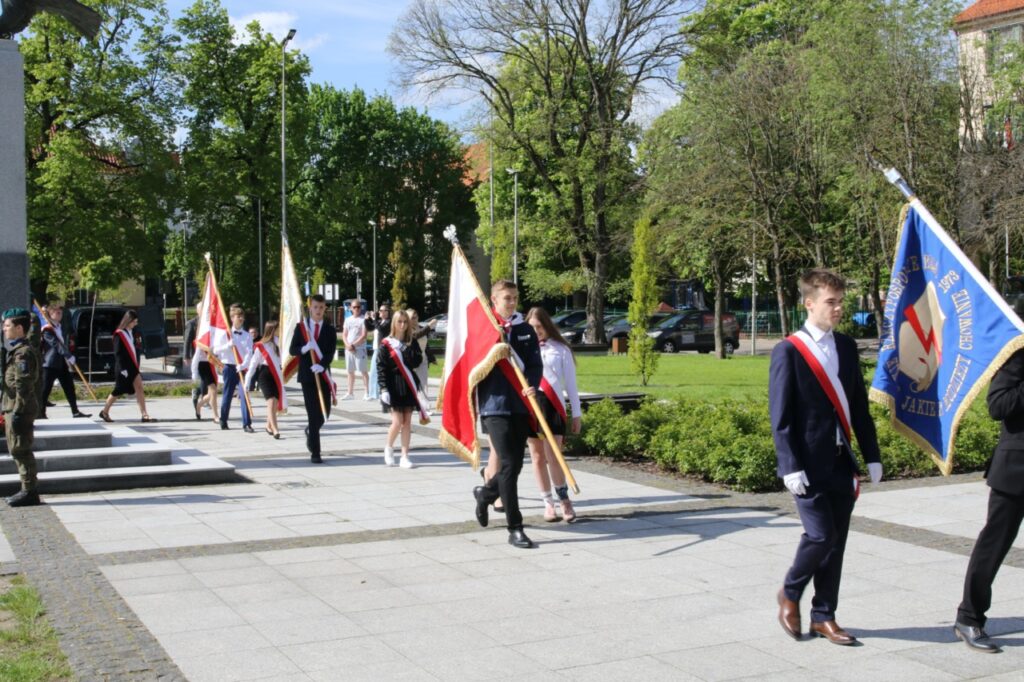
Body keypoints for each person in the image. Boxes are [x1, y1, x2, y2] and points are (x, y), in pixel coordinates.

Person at [770, 269, 881, 645]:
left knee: (837, 543)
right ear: (809, 303)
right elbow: (781, 416)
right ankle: (789, 591)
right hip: (806, 464)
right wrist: (789, 465)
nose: (838, 308)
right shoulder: (789, 350)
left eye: (840, 301)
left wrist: (873, 456)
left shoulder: (847, 347)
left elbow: (859, 408)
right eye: (830, 302)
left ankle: (824, 615)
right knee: (821, 536)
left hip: (840, 460)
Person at [954, 347, 1024, 653]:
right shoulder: (1018, 354)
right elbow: (997, 405)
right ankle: (969, 617)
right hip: (1017, 468)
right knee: (994, 545)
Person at [472, 279, 543, 549]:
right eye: (506, 298)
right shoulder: (486, 329)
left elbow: (535, 364)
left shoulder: (525, 329)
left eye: (514, 298)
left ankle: (485, 493)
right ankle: (515, 527)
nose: (511, 302)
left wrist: (532, 385)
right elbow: (474, 364)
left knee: (515, 464)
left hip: (520, 403)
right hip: (494, 404)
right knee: (510, 464)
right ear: (494, 300)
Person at [525, 307, 581, 523]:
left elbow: (572, 386)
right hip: (532, 405)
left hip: (553, 405)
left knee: (554, 456)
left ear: (547, 325)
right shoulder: (523, 350)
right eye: (532, 328)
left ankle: (564, 499)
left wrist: (576, 414)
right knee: (537, 457)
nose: (536, 331)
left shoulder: (561, 349)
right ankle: (547, 502)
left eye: (539, 326)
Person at [2, 308, 43, 506]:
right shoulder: (16, 350)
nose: (4, 328)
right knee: (17, 449)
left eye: (7, 325)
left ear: (19, 328)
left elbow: (23, 386)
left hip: (20, 407)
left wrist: (18, 412)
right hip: (13, 406)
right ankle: (27, 488)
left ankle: (29, 491)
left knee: (21, 449)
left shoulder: (23, 354)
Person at [289, 294, 337, 463]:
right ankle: (315, 453)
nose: (318, 311)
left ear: (325, 309)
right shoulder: (301, 328)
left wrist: (322, 365)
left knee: (325, 413)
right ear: (310, 308)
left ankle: (310, 431)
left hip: (322, 374)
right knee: (312, 413)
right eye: (315, 307)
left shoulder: (330, 330)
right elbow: (292, 349)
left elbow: (331, 352)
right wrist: (304, 348)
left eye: (321, 308)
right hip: (307, 376)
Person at [377, 310, 425, 468]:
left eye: (405, 322)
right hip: (392, 385)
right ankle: (389, 448)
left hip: (408, 384)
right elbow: (381, 367)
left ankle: (405, 456)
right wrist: (383, 389)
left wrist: (406, 350)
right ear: (394, 323)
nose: (403, 325)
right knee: (397, 422)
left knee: (407, 422)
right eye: (400, 322)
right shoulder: (386, 343)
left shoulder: (411, 341)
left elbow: (417, 361)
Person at [99, 310, 156, 423]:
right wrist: (123, 369)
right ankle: (104, 411)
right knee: (119, 390)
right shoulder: (119, 334)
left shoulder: (131, 332)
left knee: (139, 387)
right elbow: (118, 353)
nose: (135, 324)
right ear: (128, 321)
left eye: (136, 321)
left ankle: (144, 414)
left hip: (132, 366)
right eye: (134, 321)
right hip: (123, 367)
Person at [39, 301, 90, 419]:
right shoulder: (47, 329)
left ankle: (75, 411)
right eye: (56, 313)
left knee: (69, 387)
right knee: (45, 389)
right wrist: (68, 355)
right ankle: (41, 413)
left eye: (60, 313)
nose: (59, 314)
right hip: (50, 363)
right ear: (50, 314)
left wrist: (67, 356)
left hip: (60, 362)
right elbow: (56, 345)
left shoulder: (58, 327)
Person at [216, 304, 253, 432]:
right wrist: (228, 345)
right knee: (228, 394)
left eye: (242, 316)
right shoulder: (226, 334)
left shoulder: (247, 335)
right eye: (238, 316)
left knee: (244, 395)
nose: (241, 318)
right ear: (232, 318)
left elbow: (249, 352)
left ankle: (247, 423)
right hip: (229, 366)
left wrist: (243, 365)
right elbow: (216, 350)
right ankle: (223, 419)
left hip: (242, 368)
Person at [245, 320, 284, 439]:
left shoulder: (279, 343)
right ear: (272, 330)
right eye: (277, 328)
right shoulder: (261, 345)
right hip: (264, 374)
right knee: (271, 401)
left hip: (276, 374)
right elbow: (253, 364)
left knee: (275, 403)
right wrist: (247, 381)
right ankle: (275, 429)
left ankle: (268, 425)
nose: (279, 330)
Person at [342, 301, 369, 400]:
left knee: (363, 371)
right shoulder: (348, 320)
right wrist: (347, 345)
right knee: (350, 371)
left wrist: (354, 345)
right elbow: (344, 334)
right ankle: (350, 393)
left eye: (358, 307)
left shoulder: (363, 320)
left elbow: (364, 335)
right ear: (351, 308)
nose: (357, 309)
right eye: (354, 307)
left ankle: (366, 392)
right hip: (349, 349)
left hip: (360, 348)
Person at [407, 309, 435, 403]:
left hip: (423, 360)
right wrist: (429, 326)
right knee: (410, 384)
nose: (414, 319)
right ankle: (411, 402)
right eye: (412, 318)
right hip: (411, 360)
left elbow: (426, 345)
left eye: (416, 316)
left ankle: (425, 406)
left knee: (423, 383)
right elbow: (415, 336)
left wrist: (431, 358)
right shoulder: (407, 330)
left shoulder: (421, 328)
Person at [366, 302, 391, 400]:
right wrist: (367, 319)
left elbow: (381, 330)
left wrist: (374, 319)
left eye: (385, 310)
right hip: (376, 348)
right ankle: (373, 393)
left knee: (379, 371)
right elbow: (370, 327)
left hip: (383, 349)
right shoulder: (379, 321)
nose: (382, 312)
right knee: (373, 371)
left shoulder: (388, 322)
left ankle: (378, 392)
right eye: (381, 310)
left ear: (388, 312)